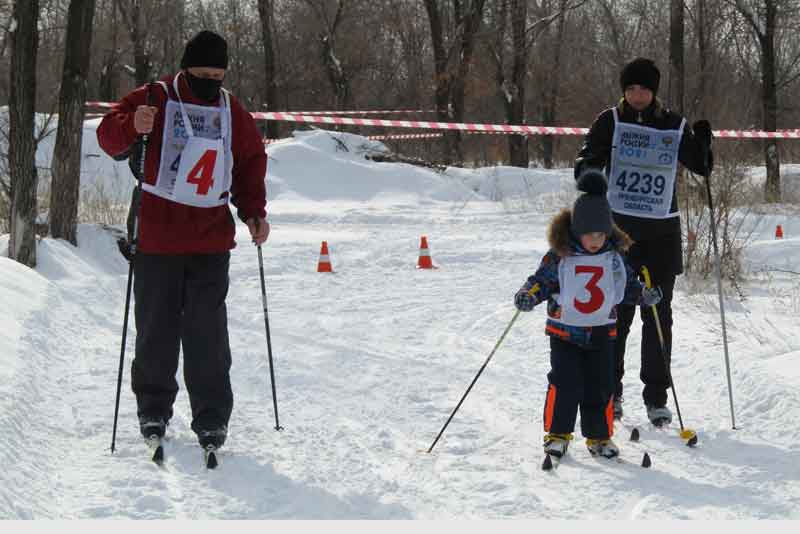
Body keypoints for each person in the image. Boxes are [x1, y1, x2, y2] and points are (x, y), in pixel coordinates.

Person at [97, 30, 269, 451]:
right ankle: (153, 408)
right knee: (156, 329)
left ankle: (211, 417)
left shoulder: (231, 110)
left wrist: (253, 212)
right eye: (202, 73)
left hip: (211, 239)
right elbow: (107, 136)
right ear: (185, 69)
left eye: (218, 74)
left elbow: (248, 162)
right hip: (158, 235)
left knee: (207, 334)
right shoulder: (154, 97)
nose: (211, 81)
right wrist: (129, 124)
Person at [574, 57, 713, 426]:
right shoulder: (610, 121)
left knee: (658, 315)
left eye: (644, 89)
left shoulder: (672, 124)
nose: (637, 95)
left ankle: (656, 397)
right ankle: (610, 390)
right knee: (617, 313)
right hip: (618, 234)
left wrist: (703, 144)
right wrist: (590, 175)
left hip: (661, 234)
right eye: (631, 89)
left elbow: (700, 167)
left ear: (654, 91)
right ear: (623, 90)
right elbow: (586, 161)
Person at [514, 170, 662, 460]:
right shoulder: (561, 255)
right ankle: (557, 434)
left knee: (600, 386)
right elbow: (541, 280)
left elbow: (629, 287)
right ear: (575, 230)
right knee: (565, 383)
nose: (595, 240)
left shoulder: (614, 257)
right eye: (589, 234)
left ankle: (599, 437)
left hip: (601, 333)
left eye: (601, 233)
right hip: (564, 332)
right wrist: (528, 294)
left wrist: (644, 296)